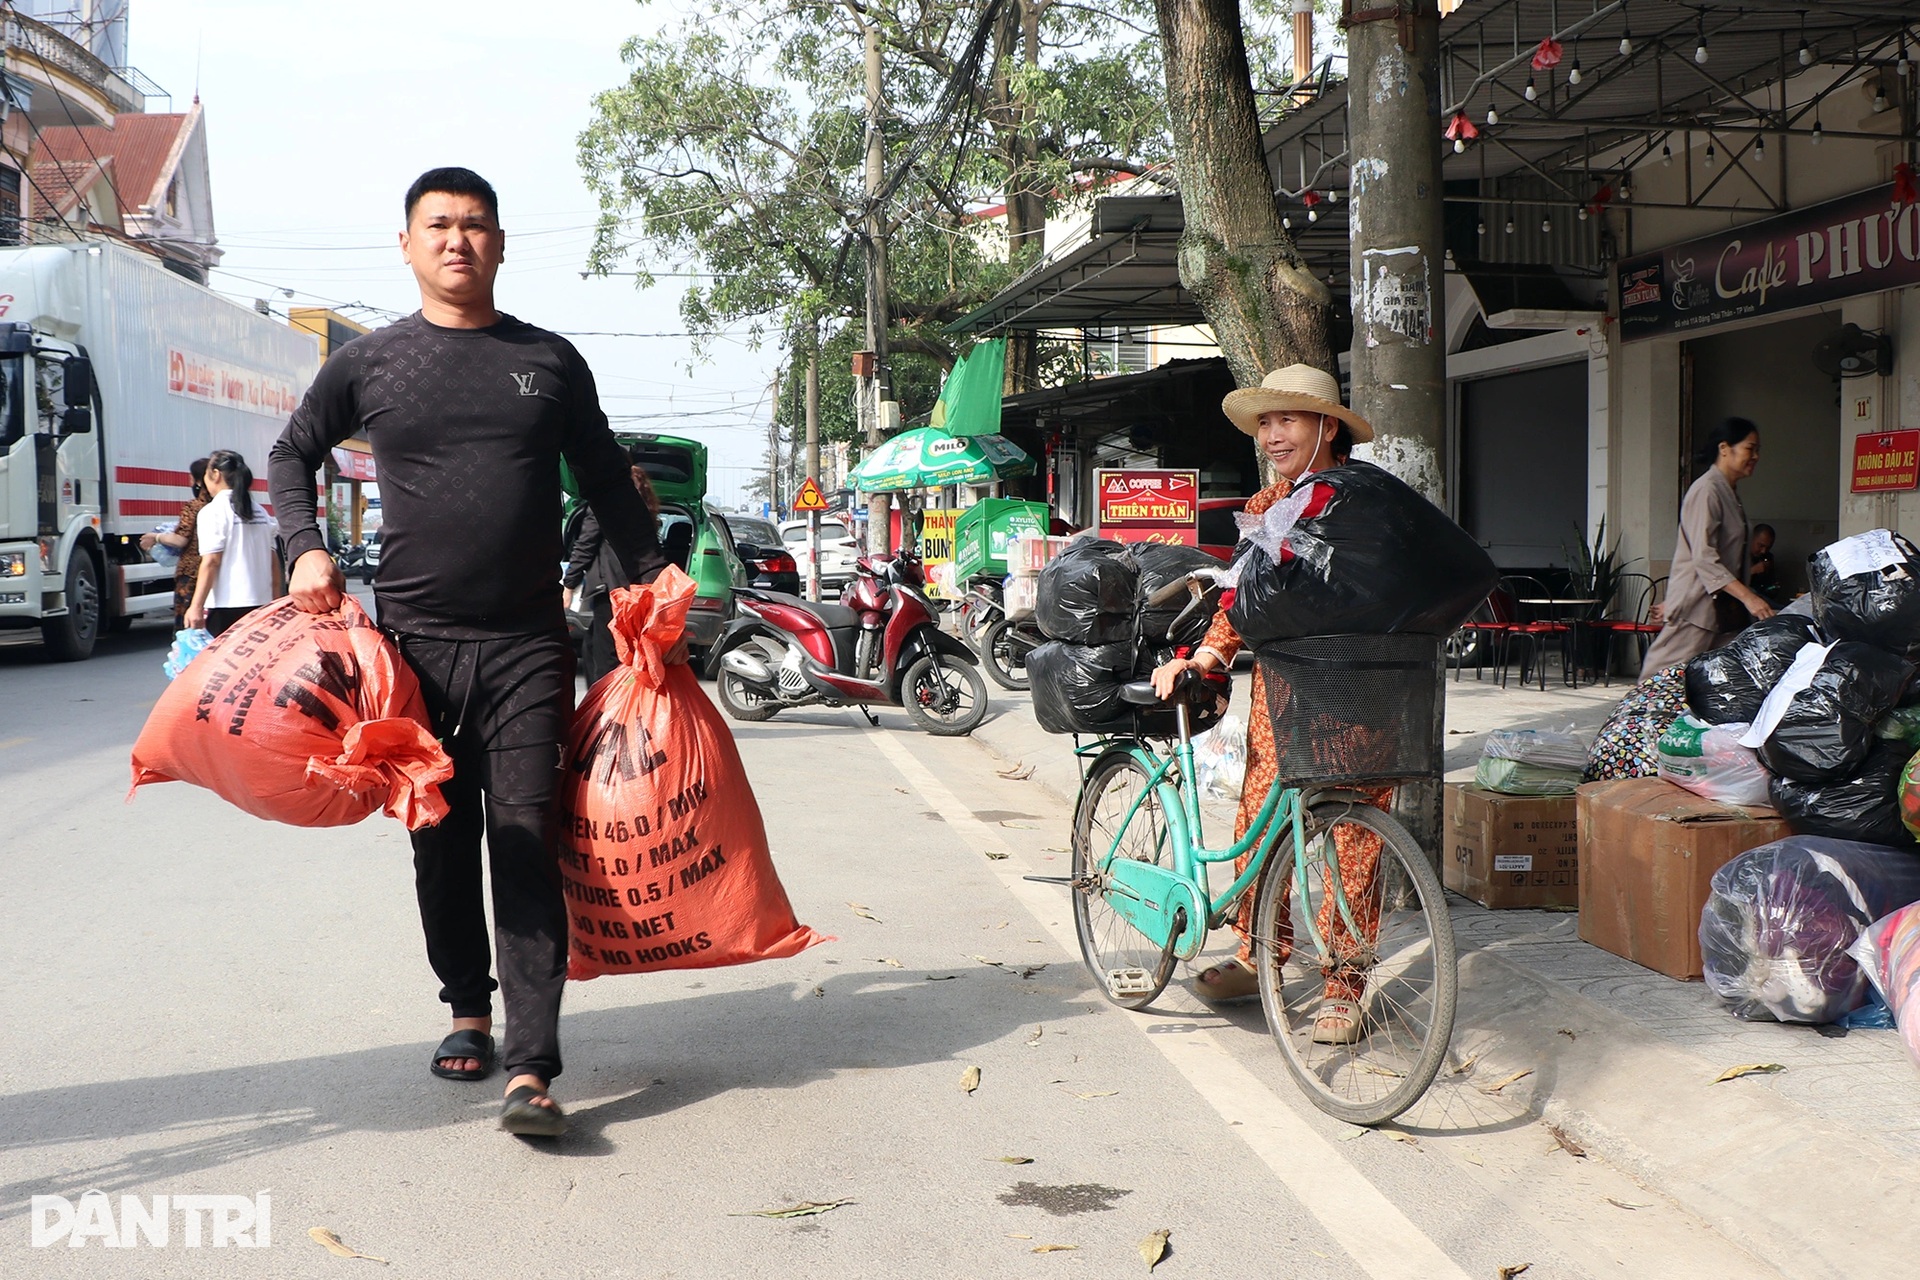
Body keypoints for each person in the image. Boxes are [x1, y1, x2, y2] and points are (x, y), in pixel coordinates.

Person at [269, 167, 672, 1138]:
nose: (458, 239)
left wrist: (654, 574)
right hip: (410, 651)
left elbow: (605, 477)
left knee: (526, 838)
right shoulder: (372, 363)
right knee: (439, 844)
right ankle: (466, 1005)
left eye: (475, 225)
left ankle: (532, 1066)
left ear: (500, 243)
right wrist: (306, 545)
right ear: (407, 245)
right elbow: (290, 454)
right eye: (439, 225)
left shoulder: (548, 361)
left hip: (529, 643)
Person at [1148, 364, 1384, 1044]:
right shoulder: (1266, 502)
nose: (1272, 435)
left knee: (1356, 839)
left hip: (1363, 692)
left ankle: (1344, 985)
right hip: (1282, 694)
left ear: (1327, 427)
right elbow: (1240, 596)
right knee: (1260, 820)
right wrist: (1207, 656)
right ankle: (1259, 954)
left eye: (1287, 419)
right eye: (1265, 423)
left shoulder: (1367, 501)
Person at [1641, 417, 1772, 671]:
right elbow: (1704, 557)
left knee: (1714, 686)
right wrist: (1749, 598)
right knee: (1661, 681)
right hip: (1696, 612)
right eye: (1750, 448)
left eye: (1758, 450)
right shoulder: (1707, 490)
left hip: (1724, 614)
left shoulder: (1729, 492)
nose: (1755, 456)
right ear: (1724, 448)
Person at [565, 458, 662, 686]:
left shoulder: (602, 503)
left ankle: (606, 704)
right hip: (635, 590)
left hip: (609, 590)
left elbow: (585, 545)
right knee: (602, 647)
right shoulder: (641, 509)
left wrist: (569, 584)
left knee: (605, 655)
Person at [182, 451, 275, 637]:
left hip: (226, 607)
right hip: (261, 605)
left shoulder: (213, 512)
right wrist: (276, 600)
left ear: (216, 474)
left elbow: (211, 561)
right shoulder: (261, 512)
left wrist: (196, 606)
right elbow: (274, 562)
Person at [141, 456, 210, 631]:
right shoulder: (223, 506)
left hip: (192, 574)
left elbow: (180, 539)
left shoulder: (194, 507)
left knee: (187, 628)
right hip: (214, 574)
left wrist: (156, 537)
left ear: (198, 480)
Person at [1748, 522, 1789, 608]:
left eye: (1768, 548)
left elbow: (1769, 586)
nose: (1763, 551)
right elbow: (1729, 580)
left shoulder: (1767, 557)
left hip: (1763, 598)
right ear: (1751, 539)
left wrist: (1773, 587)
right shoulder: (1738, 556)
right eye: (1761, 546)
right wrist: (1752, 571)